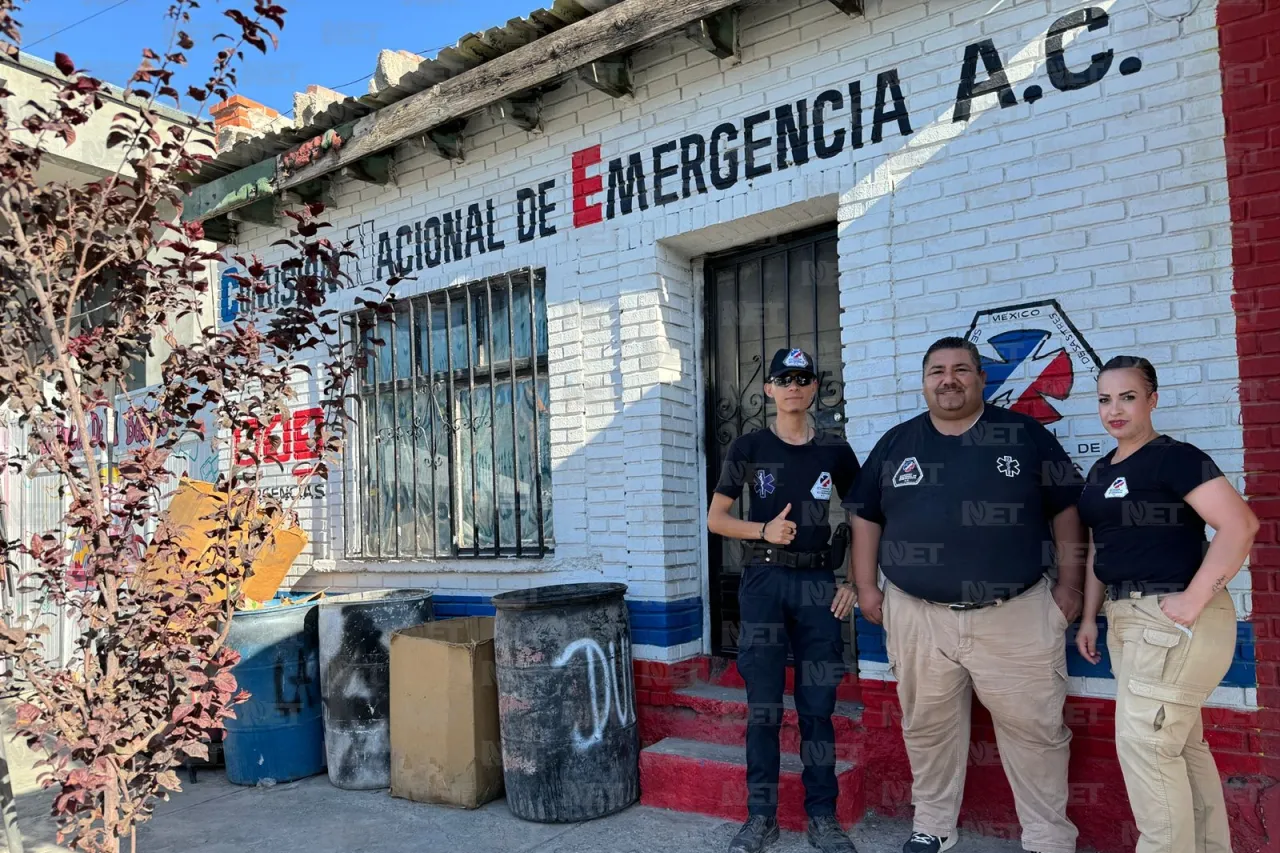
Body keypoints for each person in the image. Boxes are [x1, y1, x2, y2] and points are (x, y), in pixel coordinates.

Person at [845, 336, 1084, 853]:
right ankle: (933, 826)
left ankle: (1047, 839)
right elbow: (864, 515)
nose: (948, 379)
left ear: (980, 377)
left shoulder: (1024, 435)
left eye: (960, 369)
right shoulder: (897, 443)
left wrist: (1069, 586)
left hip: (1016, 614)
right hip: (916, 615)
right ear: (925, 381)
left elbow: (1066, 508)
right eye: (937, 371)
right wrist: (866, 587)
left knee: (1036, 733)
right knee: (927, 728)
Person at [1074, 355, 1258, 853]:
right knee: (1178, 748)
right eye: (1105, 399)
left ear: (1152, 400)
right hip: (1127, 617)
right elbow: (1099, 545)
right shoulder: (1101, 467)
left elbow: (1240, 525)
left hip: (1173, 618)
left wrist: (1194, 599)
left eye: (1128, 397)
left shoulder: (1175, 457)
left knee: (1148, 751)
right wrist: (1091, 616)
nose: (1115, 409)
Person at [707, 347, 862, 853]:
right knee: (764, 709)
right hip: (764, 585)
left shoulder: (836, 452)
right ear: (769, 389)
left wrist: (854, 583)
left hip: (820, 586)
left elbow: (864, 519)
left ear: (815, 387)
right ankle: (761, 817)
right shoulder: (749, 447)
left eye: (803, 378)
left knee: (817, 706)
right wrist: (764, 530)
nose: (793, 386)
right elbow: (717, 519)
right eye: (783, 378)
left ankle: (823, 816)